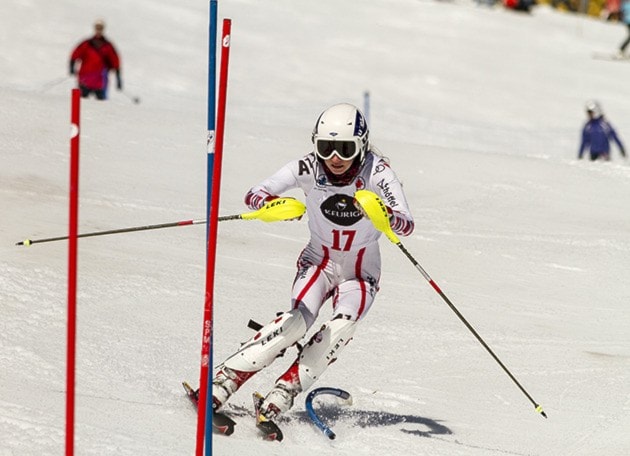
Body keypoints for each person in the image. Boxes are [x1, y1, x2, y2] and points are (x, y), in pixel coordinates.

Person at [211, 103, 415, 439]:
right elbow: (255, 194)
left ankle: (282, 394)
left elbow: (406, 222)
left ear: (362, 145)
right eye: (326, 147)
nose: (335, 157)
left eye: (346, 148)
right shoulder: (306, 167)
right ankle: (225, 380)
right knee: (297, 321)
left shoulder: (378, 172)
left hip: (361, 270)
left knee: (341, 327)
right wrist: (271, 207)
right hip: (319, 260)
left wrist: (387, 216)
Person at [69, 19, 122, 100]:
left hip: (100, 79)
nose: (99, 30)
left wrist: (118, 78)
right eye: (97, 28)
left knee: (101, 104)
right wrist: (71, 67)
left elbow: (115, 61)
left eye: (100, 28)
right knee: (83, 101)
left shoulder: (108, 46)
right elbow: (75, 54)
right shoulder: (86, 44)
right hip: (85, 77)